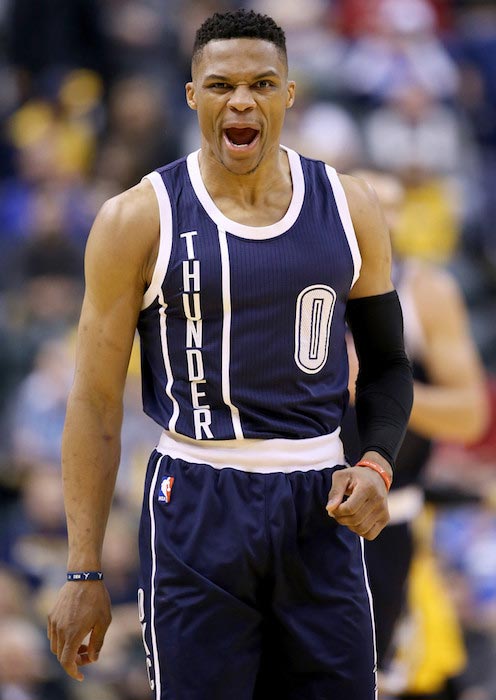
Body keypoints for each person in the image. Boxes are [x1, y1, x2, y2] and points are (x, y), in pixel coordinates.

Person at [47, 10, 413, 700]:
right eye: (221, 85)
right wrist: (83, 570)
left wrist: (378, 462)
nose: (241, 101)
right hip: (197, 498)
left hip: (319, 497)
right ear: (193, 96)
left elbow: (390, 367)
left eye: (260, 84)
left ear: (288, 95)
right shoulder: (138, 218)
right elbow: (94, 400)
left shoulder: (351, 205)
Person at [341, 170, 489, 698]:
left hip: (387, 515)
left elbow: (470, 414)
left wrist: (378, 386)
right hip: (294, 508)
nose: (384, 218)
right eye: (370, 204)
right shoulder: (294, 282)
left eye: (396, 206)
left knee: (379, 678)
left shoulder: (426, 291)